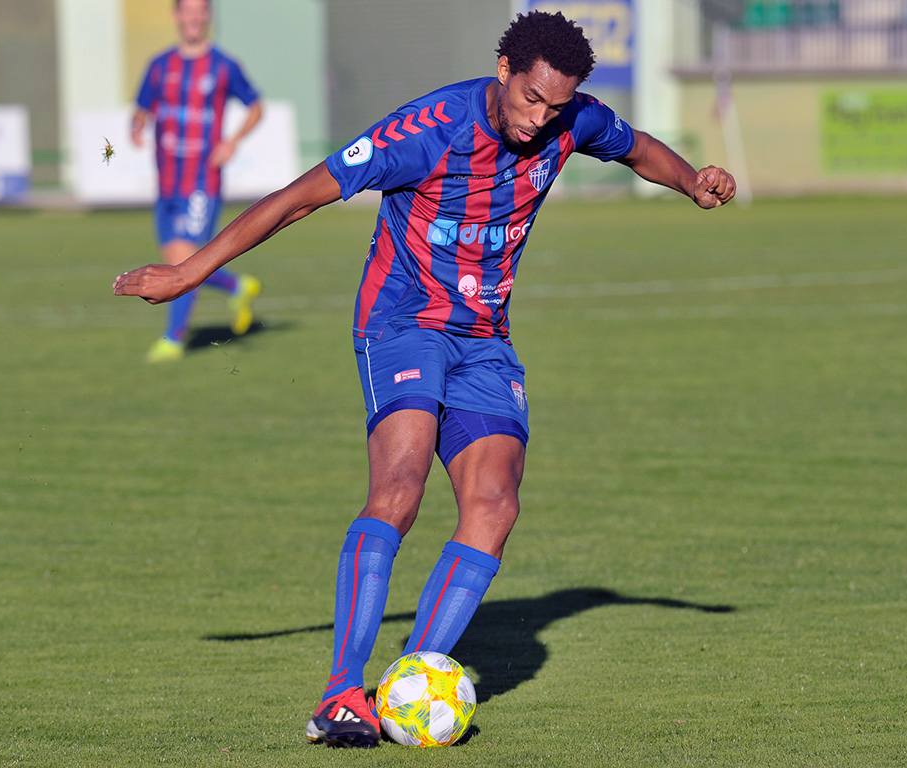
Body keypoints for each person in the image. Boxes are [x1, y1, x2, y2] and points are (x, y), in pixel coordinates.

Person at [114, 10, 735, 747]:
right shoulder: (426, 130)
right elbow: (297, 198)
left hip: (484, 339)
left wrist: (691, 181)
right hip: (401, 323)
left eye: (556, 106)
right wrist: (189, 272)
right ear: (504, 71)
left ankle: (407, 682)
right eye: (531, 98)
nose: (540, 119)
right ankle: (341, 693)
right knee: (401, 488)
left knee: (495, 505)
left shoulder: (572, 119)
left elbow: (637, 148)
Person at [131, 0, 264, 363]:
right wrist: (137, 124)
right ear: (176, 15)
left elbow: (256, 106)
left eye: (200, 10)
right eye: (187, 10)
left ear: (207, 16)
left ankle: (173, 339)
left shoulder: (223, 65)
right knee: (176, 258)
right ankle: (236, 285)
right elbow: (142, 107)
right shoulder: (159, 66)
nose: (194, 17)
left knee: (183, 260)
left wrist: (233, 141)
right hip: (167, 182)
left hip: (202, 179)